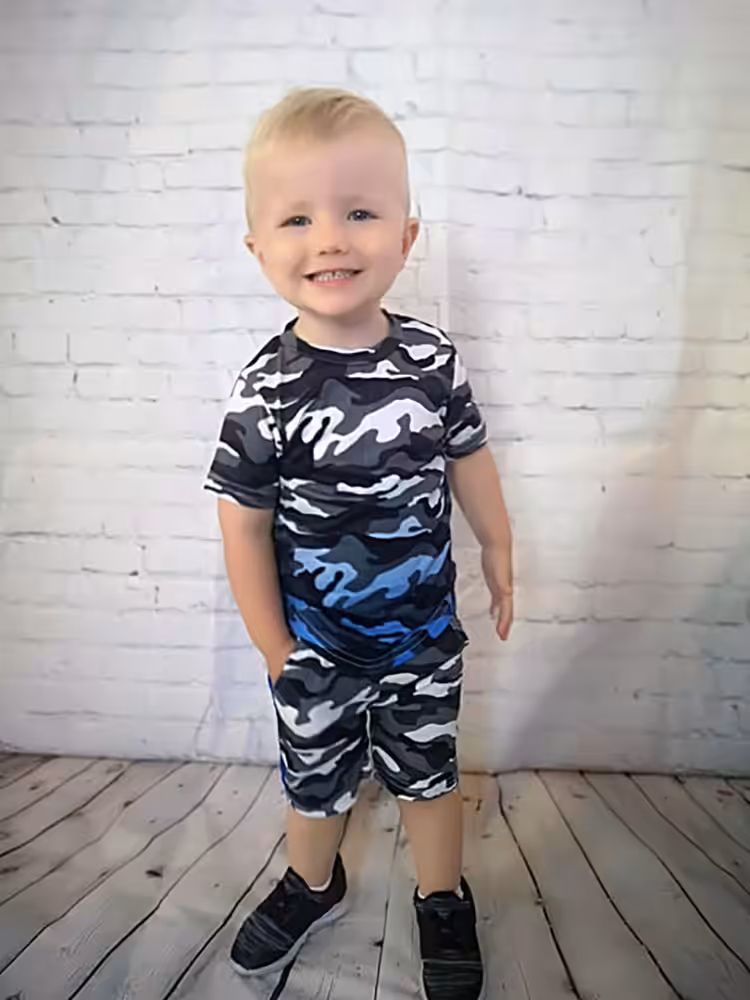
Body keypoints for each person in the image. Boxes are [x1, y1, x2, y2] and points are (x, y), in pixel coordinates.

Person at [204, 87, 513, 1000]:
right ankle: (313, 883)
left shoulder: (431, 360)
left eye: (360, 213)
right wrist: (276, 649)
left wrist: (499, 549)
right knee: (315, 787)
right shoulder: (266, 387)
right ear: (258, 247)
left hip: (422, 639)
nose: (330, 239)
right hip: (316, 648)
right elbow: (242, 523)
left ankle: (441, 897)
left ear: (406, 236)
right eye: (298, 218)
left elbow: (470, 457)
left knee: (430, 778)